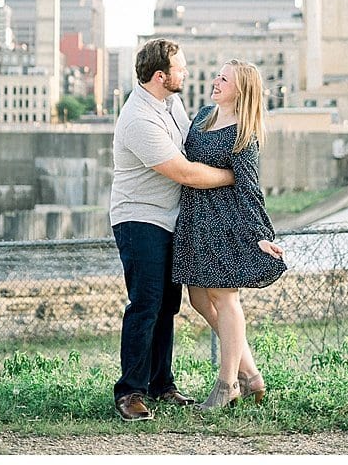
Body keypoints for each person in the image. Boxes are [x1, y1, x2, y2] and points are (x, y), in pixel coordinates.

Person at [109, 38, 250, 422]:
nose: (186, 73)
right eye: (181, 68)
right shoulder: (139, 118)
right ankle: (131, 392)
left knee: (168, 306)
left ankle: (161, 385)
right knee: (146, 302)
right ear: (161, 76)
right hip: (140, 218)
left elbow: (194, 145)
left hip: (171, 217)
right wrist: (233, 176)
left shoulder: (171, 103)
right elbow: (184, 170)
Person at [172, 59, 287, 410]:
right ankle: (251, 375)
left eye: (225, 78)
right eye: (218, 74)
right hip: (194, 220)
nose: (216, 80)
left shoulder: (243, 135)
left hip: (224, 224)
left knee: (225, 300)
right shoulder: (205, 114)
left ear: (242, 90)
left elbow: (250, 188)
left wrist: (262, 234)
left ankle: (227, 385)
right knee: (198, 300)